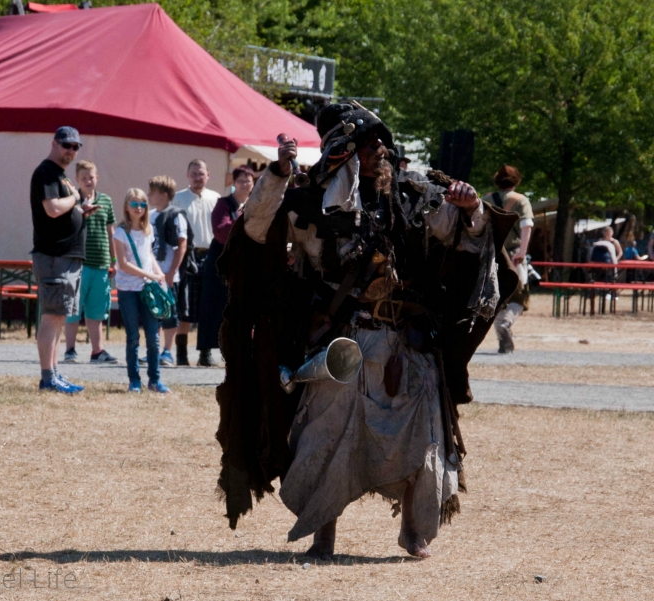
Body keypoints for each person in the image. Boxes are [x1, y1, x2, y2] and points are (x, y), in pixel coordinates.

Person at [215, 104, 519, 560]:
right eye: (368, 143)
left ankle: (415, 532)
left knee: (424, 440)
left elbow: (466, 236)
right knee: (328, 437)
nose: (381, 150)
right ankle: (323, 533)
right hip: (343, 342)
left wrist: (473, 207)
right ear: (347, 153)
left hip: (407, 342)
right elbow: (257, 227)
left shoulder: (415, 195)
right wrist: (278, 173)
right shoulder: (309, 200)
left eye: (383, 142)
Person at [30, 126, 91, 394]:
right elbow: (52, 208)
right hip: (54, 256)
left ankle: (54, 373)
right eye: (66, 145)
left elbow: (63, 208)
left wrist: (80, 210)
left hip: (68, 256)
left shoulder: (60, 175)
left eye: (75, 147)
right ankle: (47, 377)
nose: (71, 151)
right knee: (51, 317)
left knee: (59, 317)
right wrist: (76, 197)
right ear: (54, 143)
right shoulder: (46, 172)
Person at [112, 189, 171, 394]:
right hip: (128, 289)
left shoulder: (148, 230)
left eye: (143, 204)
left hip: (148, 289)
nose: (139, 208)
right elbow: (123, 264)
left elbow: (148, 256)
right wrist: (151, 275)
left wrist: (158, 274)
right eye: (134, 203)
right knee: (132, 337)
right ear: (126, 207)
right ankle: (134, 380)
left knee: (153, 337)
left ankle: (154, 380)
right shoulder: (120, 233)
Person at [63, 161, 118, 364]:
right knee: (73, 308)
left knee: (97, 310)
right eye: (84, 177)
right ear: (77, 179)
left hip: (101, 262)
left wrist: (114, 259)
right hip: (78, 262)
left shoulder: (106, 200)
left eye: (91, 177)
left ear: (97, 178)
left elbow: (111, 230)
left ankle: (97, 351)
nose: (88, 181)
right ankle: (70, 349)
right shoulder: (70, 201)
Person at [196, 166, 255, 355]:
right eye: (240, 180)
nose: (244, 184)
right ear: (234, 183)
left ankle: (239, 349)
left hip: (246, 261)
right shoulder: (223, 204)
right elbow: (221, 231)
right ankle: (206, 351)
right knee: (214, 304)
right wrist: (243, 219)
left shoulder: (257, 203)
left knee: (243, 306)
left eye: (248, 180)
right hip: (221, 262)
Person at [173, 160, 221, 366]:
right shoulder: (178, 199)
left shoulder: (216, 198)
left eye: (200, 174)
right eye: (193, 174)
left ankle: (205, 354)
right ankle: (181, 354)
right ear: (187, 175)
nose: (197, 177)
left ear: (208, 175)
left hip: (212, 255)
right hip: (188, 256)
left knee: (208, 307)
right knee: (186, 307)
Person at [483, 165, 534, 354]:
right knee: (520, 296)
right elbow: (526, 226)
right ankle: (506, 323)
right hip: (513, 254)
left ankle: (503, 342)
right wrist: (522, 252)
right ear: (516, 181)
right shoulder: (521, 200)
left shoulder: (486, 200)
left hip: (492, 254)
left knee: (497, 298)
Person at [148, 176, 190, 366]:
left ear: (163, 195)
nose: (148, 196)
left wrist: (172, 272)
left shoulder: (176, 215)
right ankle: (154, 350)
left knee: (169, 313)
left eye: (152, 193)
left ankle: (167, 351)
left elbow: (182, 245)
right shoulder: (149, 215)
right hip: (151, 274)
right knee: (152, 313)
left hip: (168, 273)